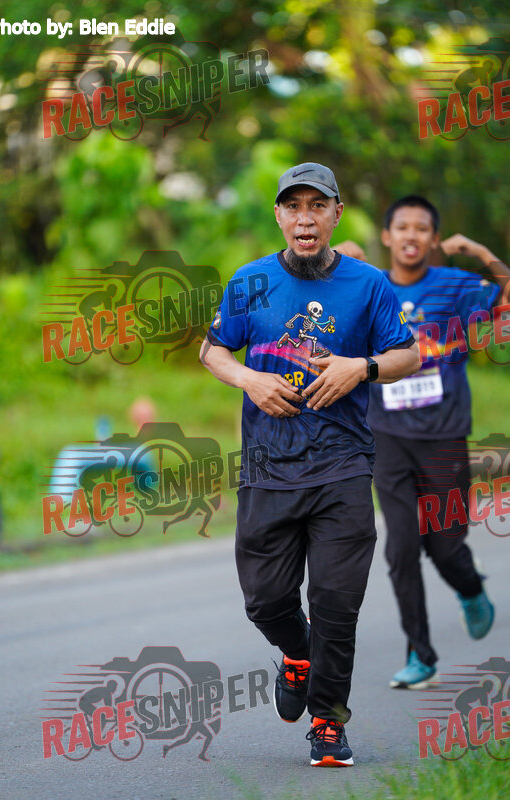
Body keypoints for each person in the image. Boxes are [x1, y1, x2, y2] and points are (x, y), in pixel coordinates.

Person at [200, 163, 419, 767]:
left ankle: (327, 722)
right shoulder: (250, 281)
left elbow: (408, 354)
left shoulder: (369, 284)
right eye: (293, 206)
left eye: (316, 206)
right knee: (265, 600)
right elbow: (213, 350)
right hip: (268, 466)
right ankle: (297, 654)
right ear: (278, 215)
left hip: (342, 466)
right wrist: (249, 379)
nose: (305, 218)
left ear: (335, 214)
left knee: (336, 605)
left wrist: (361, 367)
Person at [337, 195, 509, 689]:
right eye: (402, 227)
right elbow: (310, 302)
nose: (411, 235)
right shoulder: (367, 285)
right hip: (387, 436)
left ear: (433, 239)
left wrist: (480, 252)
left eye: (421, 228)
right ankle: (421, 655)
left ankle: (470, 589)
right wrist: (336, 257)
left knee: (446, 546)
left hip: (444, 436)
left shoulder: (454, 285)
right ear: (387, 236)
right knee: (401, 548)